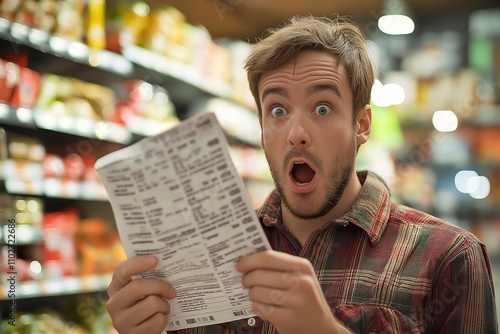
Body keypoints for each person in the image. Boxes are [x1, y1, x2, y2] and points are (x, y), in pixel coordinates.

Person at [105, 16, 499, 333]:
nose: (295, 133)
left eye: (322, 108)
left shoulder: (449, 258)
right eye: (277, 111)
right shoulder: (212, 256)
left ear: (361, 125)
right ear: (261, 128)